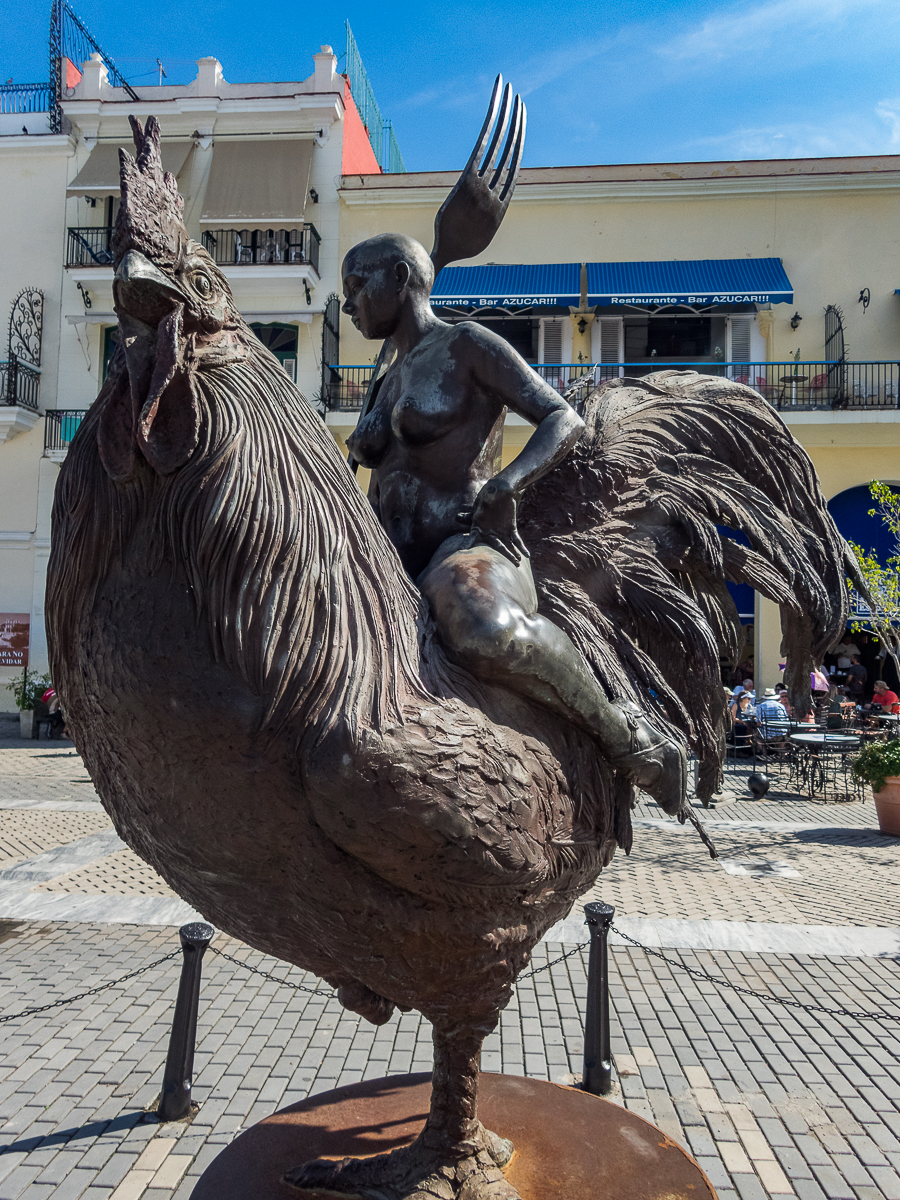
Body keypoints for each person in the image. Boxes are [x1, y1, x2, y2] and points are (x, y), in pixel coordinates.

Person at [342, 232, 685, 810]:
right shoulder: (384, 379)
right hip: (391, 559)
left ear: (400, 279)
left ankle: (631, 737)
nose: (348, 304)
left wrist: (507, 484)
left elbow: (562, 418)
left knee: (481, 623)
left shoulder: (468, 344)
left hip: (468, 544)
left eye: (356, 286)